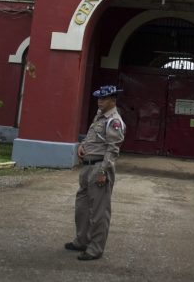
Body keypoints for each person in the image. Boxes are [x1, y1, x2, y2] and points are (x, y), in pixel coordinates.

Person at [64, 85, 126, 261]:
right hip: (87, 167)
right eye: (98, 98)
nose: (99, 101)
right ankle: (81, 241)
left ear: (113, 100)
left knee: (99, 212)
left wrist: (103, 171)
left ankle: (95, 249)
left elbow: (113, 149)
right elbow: (95, 138)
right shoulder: (99, 116)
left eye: (104, 98)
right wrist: (83, 146)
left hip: (100, 168)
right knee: (82, 207)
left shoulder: (114, 121)